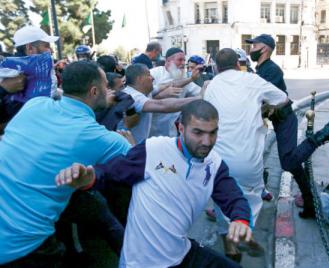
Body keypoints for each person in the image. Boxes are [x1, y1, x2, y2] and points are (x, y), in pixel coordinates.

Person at [55, 100, 252, 268]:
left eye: (213, 133)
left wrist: (240, 220)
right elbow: (111, 172)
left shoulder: (215, 164)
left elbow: (234, 198)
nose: (207, 141)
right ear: (180, 128)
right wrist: (88, 178)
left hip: (182, 253)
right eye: (198, 133)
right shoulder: (153, 149)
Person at [0, 61, 132, 266]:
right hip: (25, 247)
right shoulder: (103, 139)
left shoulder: (34, 105)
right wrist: (131, 144)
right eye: (107, 86)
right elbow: (140, 164)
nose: (110, 90)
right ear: (95, 91)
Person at [246, 34, 329, 218]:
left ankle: (326, 133)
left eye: (254, 46)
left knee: (288, 162)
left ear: (265, 49)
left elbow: (261, 99)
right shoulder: (262, 68)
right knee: (295, 166)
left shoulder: (271, 70)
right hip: (281, 121)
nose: (251, 49)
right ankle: (310, 204)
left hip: (285, 119)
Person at [203, 48, 290, 261]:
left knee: (223, 205)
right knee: (249, 200)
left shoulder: (210, 85)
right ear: (238, 64)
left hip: (220, 161)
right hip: (249, 159)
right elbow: (283, 98)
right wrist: (263, 108)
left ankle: (232, 253)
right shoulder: (252, 80)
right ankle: (244, 229)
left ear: (216, 67)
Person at [120, 63, 200, 143]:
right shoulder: (132, 96)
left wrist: (191, 79)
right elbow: (162, 105)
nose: (152, 78)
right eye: (148, 75)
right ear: (139, 79)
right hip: (127, 149)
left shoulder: (145, 91)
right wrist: (199, 98)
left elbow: (169, 85)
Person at [149, 48, 204, 137]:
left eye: (184, 60)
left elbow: (200, 92)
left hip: (171, 132)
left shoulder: (183, 77)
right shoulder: (153, 74)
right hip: (151, 131)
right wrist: (161, 95)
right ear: (168, 61)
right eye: (180, 60)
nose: (183, 63)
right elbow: (142, 100)